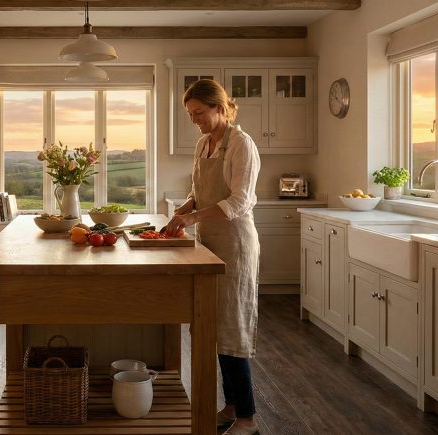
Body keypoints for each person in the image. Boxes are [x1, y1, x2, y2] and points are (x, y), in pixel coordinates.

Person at [164, 79, 260, 435]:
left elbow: (239, 201)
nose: (196, 121)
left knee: (232, 328)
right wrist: (182, 210)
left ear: (220, 107)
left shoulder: (241, 144)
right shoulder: (204, 143)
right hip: (209, 242)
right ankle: (231, 405)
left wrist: (191, 217)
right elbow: (197, 191)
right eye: (191, 115)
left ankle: (248, 419)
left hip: (235, 244)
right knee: (216, 328)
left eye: (200, 113)